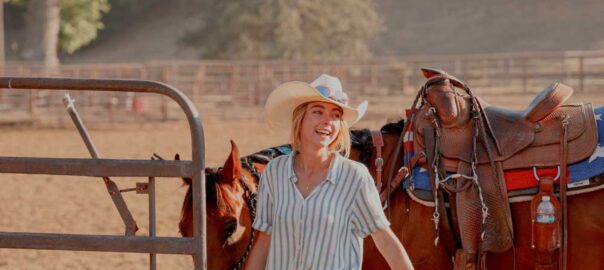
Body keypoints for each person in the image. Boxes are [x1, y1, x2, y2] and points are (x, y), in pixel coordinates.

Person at [244, 74, 413, 270]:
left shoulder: (354, 177)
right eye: (318, 112)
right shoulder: (275, 172)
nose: (327, 121)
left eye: (335, 115)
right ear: (300, 118)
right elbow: (264, 242)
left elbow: (384, 240)